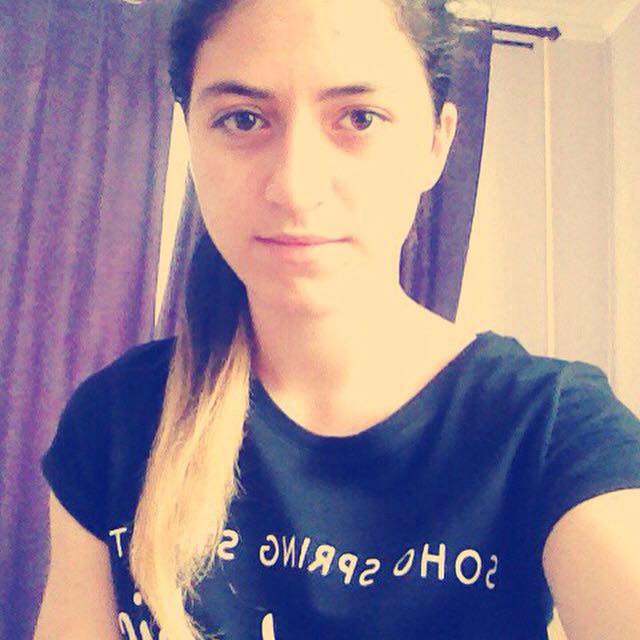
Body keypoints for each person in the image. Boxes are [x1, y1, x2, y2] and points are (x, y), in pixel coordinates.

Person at [35, 0, 640, 639]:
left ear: (436, 143)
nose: (295, 188)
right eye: (242, 119)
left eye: (358, 117)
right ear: (193, 137)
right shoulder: (115, 420)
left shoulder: (549, 429)